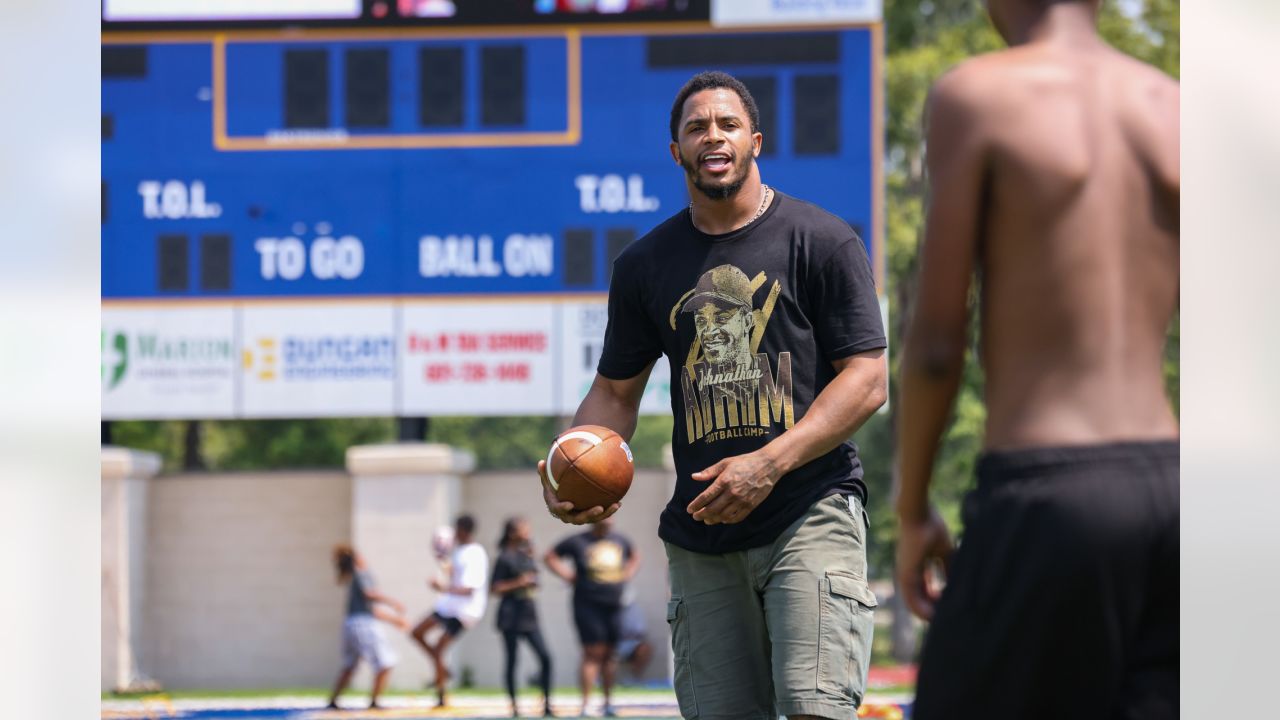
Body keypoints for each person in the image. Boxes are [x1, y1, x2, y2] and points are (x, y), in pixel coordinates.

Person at [538, 70, 888, 720]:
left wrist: (770, 463)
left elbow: (867, 379)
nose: (712, 136)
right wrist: (572, 459)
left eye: (726, 124)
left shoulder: (822, 240)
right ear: (677, 152)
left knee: (817, 707)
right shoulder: (645, 266)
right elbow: (615, 390)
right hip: (701, 533)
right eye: (696, 127)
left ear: (754, 140)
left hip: (809, 510)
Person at [894, 1, 1179, 718]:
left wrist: (912, 510)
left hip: (1051, 490)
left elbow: (933, 345)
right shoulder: (1168, 105)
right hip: (1177, 489)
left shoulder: (981, 95)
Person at [545, 518, 638, 718]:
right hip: (587, 605)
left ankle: (608, 703)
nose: (610, 520)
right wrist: (567, 575)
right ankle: (586, 704)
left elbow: (635, 556)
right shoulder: (578, 541)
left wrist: (627, 574)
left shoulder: (620, 539)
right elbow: (550, 556)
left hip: (614, 605)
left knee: (610, 654)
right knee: (592, 653)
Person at [410, 515, 489, 708]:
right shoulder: (460, 551)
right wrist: (442, 559)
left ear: (463, 530)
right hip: (450, 605)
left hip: (465, 610)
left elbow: (469, 589)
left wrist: (441, 588)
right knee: (417, 632)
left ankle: (441, 696)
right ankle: (443, 670)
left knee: (438, 648)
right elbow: (455, 575)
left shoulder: (476, 553)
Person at [326, 545, 409, 710]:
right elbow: (369, 595)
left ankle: (333, 700)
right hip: (363, 625)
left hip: (350, 624)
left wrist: (393, 620)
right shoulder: (362, 574)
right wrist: (393, 602)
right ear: (357, 558)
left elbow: (371, 610)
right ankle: (374, 701)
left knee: (350, 664)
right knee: (385, 662)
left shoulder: (353, 577)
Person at [491, 516, 555, 718]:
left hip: (529, 614)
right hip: (510, 615)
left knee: (546, 657)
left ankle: (546, 704)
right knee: (512, 661)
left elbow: (534, 580)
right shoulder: (504, 557)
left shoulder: (526, 554)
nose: (528, 532)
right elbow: (495, 588)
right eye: (524, 529)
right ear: (512, 533)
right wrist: (519, 582)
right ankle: (514, 707)